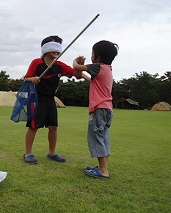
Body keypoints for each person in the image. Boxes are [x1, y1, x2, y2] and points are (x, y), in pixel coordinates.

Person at [23, 35, 83, 164]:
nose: (57, 50)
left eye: (59, 47)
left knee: (53, 126)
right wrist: (32, 79)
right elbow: (26, 79)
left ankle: (52, 153)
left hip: (51, 100)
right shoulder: (36, 63)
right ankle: (28, 153)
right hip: (36, 99)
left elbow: (77, 76)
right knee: (34, 127)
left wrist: (79, 66)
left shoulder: (60, 66)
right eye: (53, 46)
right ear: (45, 49)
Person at [73, 40, 119, 178]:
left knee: (96, 137)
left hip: (99, 109)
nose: (91, 55)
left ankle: (103, 171)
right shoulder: (107, 69)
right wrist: (81, 72)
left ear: (98, 57)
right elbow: (81, 76)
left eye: (92, 53)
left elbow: (76, 68)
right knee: (103, 137)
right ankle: (101, 167)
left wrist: (76, 62)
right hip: (107, 109)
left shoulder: (98, 66)